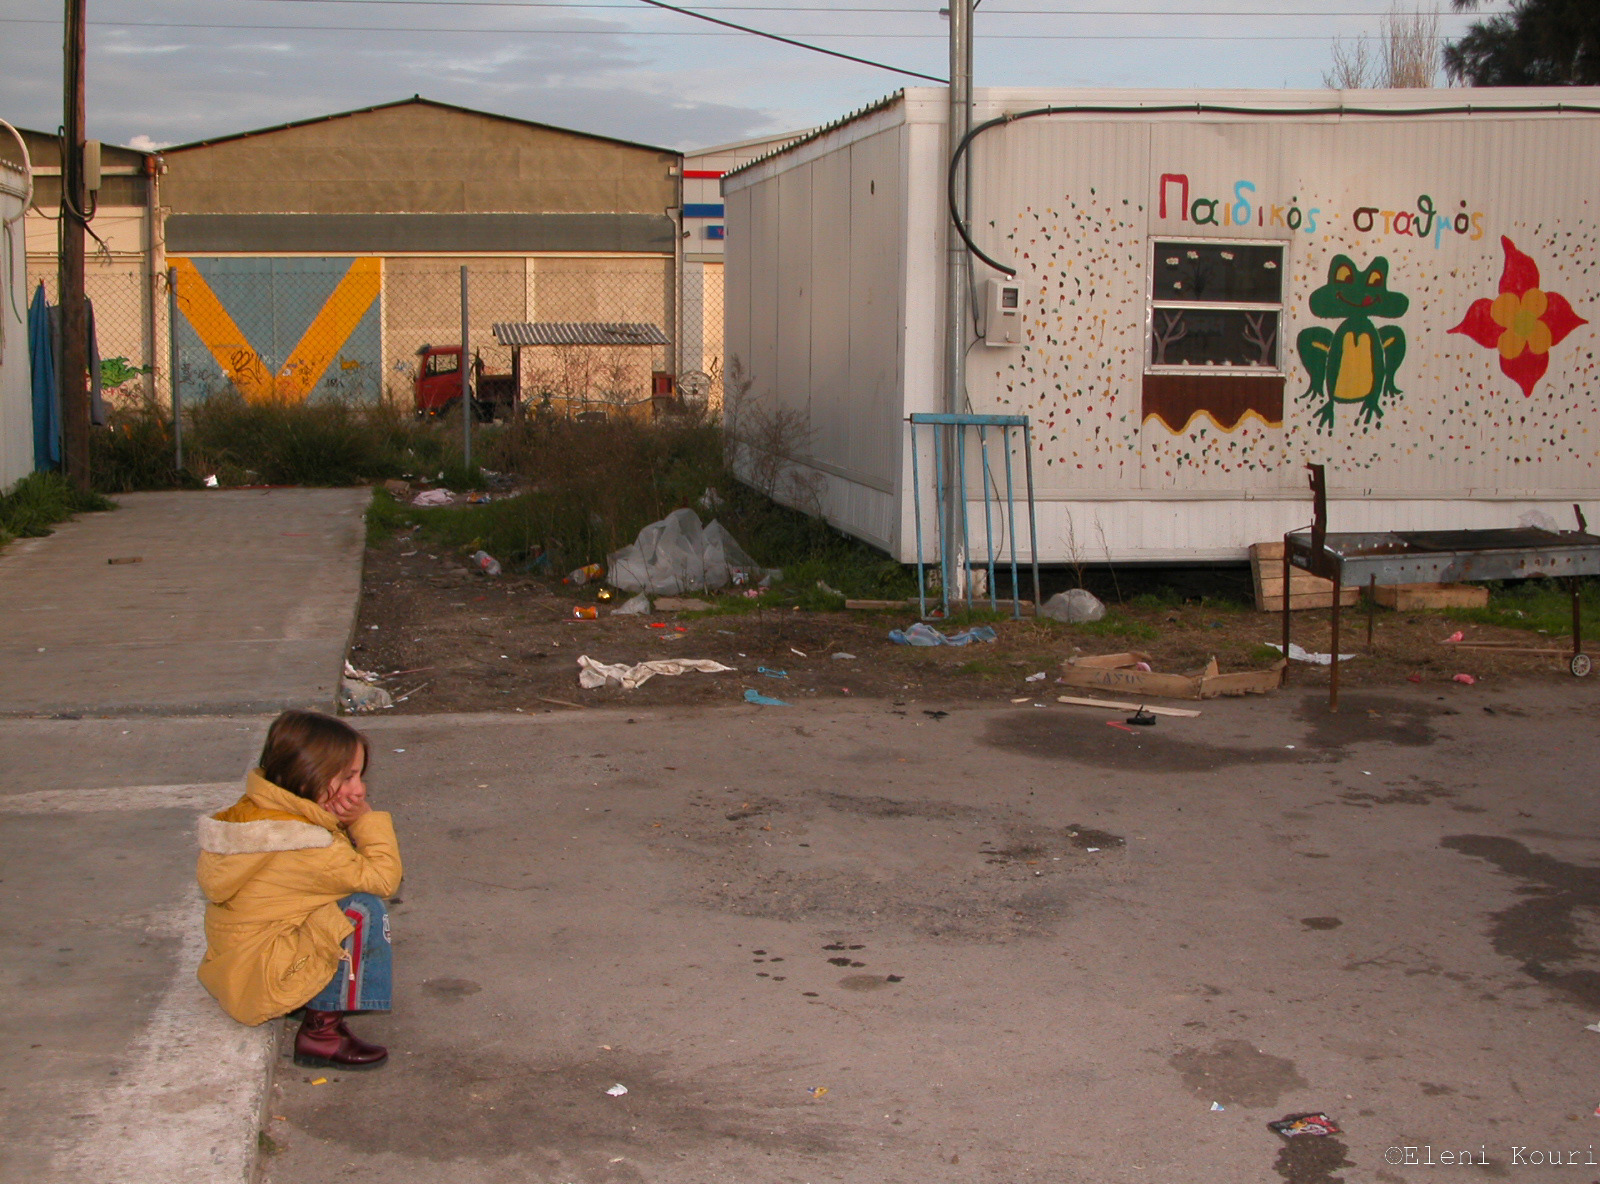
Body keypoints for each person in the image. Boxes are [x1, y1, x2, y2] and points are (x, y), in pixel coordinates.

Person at [196, 709, 403, 1069]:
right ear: (310, 777)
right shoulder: (307, 844)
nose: (360, 788)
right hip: (263, 975)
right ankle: (322, 1033)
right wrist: (365, 819)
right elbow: (384, 878)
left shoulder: (259, 811)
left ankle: (302, 996)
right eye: (349, 777)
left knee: (325, 904)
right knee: (361, 909)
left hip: (239, 967)